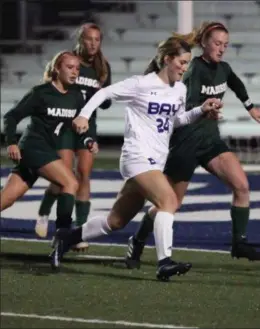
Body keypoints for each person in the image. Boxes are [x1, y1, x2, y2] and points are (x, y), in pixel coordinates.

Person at [49, 36, 223, 281]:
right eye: (182, 63)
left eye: (187, 63)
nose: (185, 68)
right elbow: (103, 93)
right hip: (136, 157)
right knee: (168, 201)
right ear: (167, 60)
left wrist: (201, 110)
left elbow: (177, 121)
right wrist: (85, 116)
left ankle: (66, 237)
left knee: (115, 221)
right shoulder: (140, 84)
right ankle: (164, 262)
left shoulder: (180, 89)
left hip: (155, 162)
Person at [125, 21, 260, 268]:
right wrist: (205, 111)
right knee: (170, 204)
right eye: (217, 43)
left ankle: (239, 242)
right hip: (184, 144)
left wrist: (250, 106)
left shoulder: (223, 69)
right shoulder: (192, 70)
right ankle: (137, 240)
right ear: (204, 42)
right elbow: (182, 108)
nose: (222, 48)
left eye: (225, 44)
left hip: (210, 140)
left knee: (242, 186)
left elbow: (235, 83)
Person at [1, 51, 97, 233]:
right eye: (69, 67)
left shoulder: (76, 96)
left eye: (77, 68)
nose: (75, 72)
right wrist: (11, 142)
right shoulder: (41, 93)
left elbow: (77, 127)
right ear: (57, 69)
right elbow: (11, 116)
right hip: (33, 147)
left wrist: (88, 140)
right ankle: (62, 235)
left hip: (47, 151)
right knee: (71, 183)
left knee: (7, 199)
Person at [35, 23, 112, 251]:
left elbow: (107, 102)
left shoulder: (103, 67)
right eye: (89, 39)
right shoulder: (71, 61)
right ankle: (44, 211)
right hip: (66, 125)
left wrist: (101, 93)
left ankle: (78, 231)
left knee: (84, 175)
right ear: (80, 40)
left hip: (88, 126)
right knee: (64, 178)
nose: (93, 44)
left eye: (97, 39)